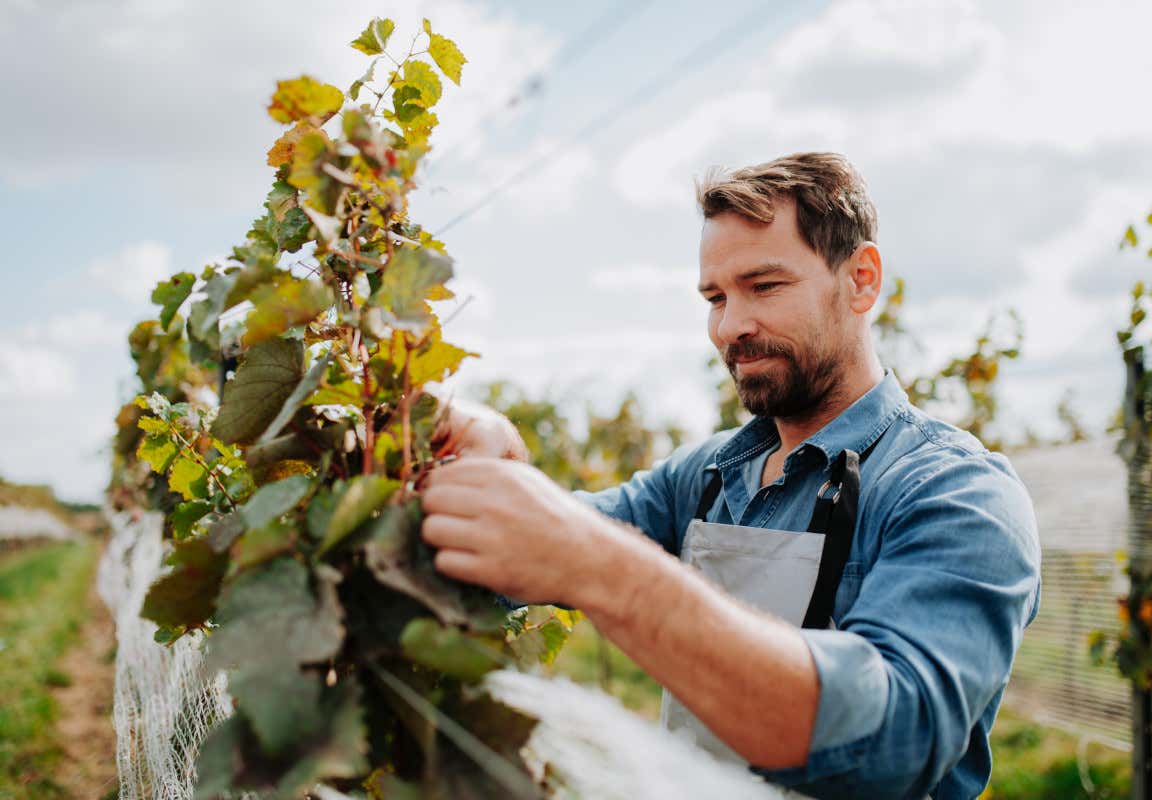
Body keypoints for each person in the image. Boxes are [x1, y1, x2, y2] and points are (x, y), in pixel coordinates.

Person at [419, 152, 1041, 800]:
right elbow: (537, 540)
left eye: (764, 286)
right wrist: (478, 447)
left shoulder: (955, 493)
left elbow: (894, 739)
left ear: (861, 280)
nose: (730, 327)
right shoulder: (708, 474)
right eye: (715, 298)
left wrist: (604, 569)